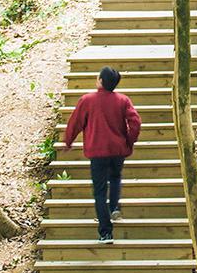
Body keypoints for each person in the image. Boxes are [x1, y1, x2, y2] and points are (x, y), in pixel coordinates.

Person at [61, 66, 143, 242]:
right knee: (115, 177)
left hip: (97, 151)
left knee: (99, 191)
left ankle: (105, 232)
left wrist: (68, 141)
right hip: (117, 150)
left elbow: (75, 122)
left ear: (101, 81)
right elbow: (135, 122)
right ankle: (114, 207)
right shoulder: (123, 100)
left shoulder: (87, 100)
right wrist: (129, 140)